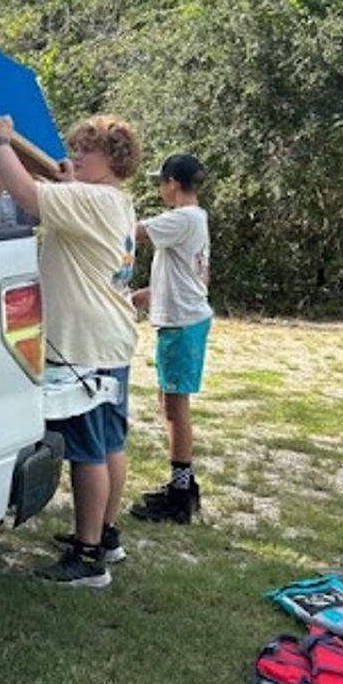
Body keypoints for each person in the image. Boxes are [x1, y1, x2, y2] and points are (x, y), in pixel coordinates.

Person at [0, 112, 139, 587]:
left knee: (86, 452)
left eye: (84, 150)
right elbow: (61, 197)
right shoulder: (115, 201)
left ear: (112, 158)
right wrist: (71, 178)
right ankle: (106, 535)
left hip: (83, 345)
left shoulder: (92, 200)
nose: (73, 156)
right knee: (110, 443)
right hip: (110, 340)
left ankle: (88, 556)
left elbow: (26, 193)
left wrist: (1, 141)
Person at [129, 152, 212, 524]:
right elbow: (187, 272)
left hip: (182, 324)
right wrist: (148, 293)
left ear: (173, 183)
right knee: (168, 404)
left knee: (175, 409)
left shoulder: (181, 218)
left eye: (161, 182)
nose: (160, 189)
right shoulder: (195, 219)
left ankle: (180, 495)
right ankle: (183, 482)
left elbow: (129, 232)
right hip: (182, 318)